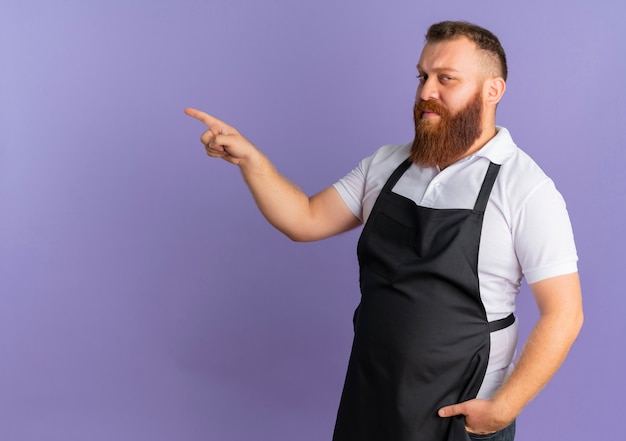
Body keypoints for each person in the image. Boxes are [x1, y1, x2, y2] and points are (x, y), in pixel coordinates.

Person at [185, 20, 583, 441]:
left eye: (446, 79)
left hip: (458, 415)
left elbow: (564, 313)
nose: (427, 91)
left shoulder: (525, 188)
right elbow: (304, 219)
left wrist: (503, 409)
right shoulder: (388, 164)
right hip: (371, 394)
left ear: (492, 90)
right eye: (423, 76)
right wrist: (250, 160)